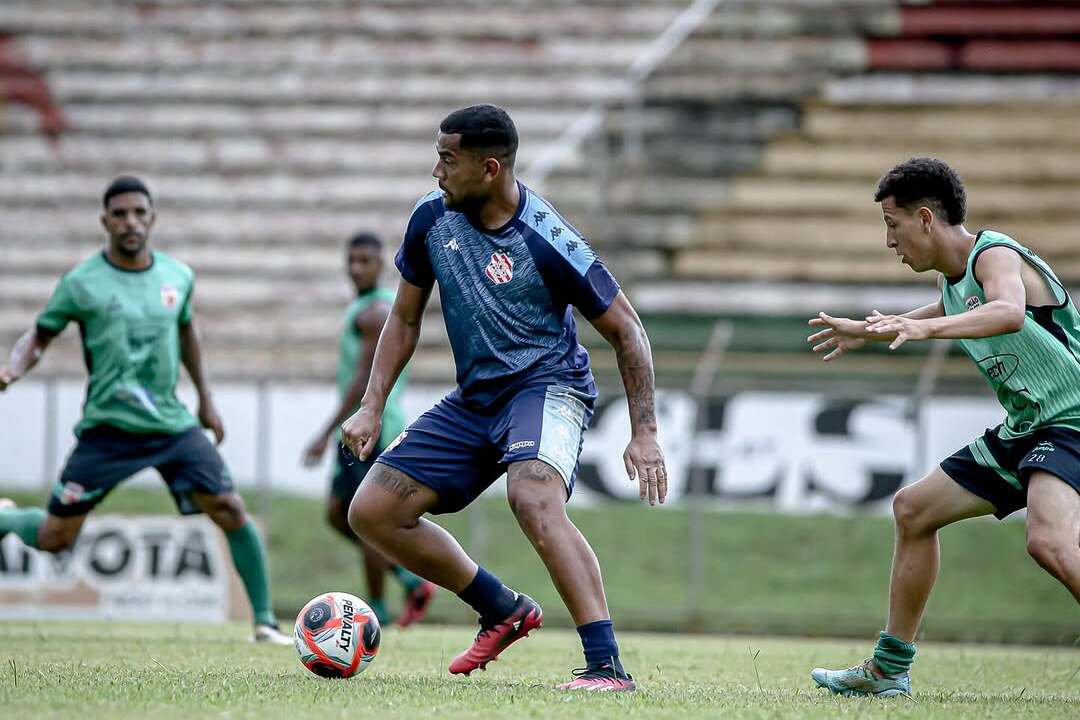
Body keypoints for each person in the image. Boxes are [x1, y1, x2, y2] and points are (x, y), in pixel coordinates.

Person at [340, 104, 667, 692]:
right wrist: (370, 403)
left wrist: (644, 433)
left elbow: (627, 329)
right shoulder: (430, 219)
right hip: (476, 399)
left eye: (447, 159)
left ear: (489, 168)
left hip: (548, 387)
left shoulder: (547, 238)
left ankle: (606, 666)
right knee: (371, 511)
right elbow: (404, 319)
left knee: (533, 496)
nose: (436, 172)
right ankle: (501, 608)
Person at [806, 157, 1080, 697]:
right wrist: (869, 331)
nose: (889, 240)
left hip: (1072, 420)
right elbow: (947, 306)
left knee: (1049, 542)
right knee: (913, 510)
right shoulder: (955, 280)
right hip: (1029, 427)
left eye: (892, 223)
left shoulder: (995, 253)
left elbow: (1008, 312)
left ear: (926, 218)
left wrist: (920, 329)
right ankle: (888, 670)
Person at [0, 176, 292, 645]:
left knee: (230, 507)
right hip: (108, 429)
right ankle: (8, 518)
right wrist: (13, 370)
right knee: (56, 537)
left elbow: (187, 332)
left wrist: (206, 399)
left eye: (139, 212)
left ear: (152, 218)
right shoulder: (81, 283)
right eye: (120, 214)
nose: (130, 222)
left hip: (171, 426)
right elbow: (40, 334)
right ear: (105, 221)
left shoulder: (177, 276)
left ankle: (263, 622)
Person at [301, 231, 436, 627]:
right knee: (337, 513)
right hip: (365, 427)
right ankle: (408, 579)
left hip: (371, 428)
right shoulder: (365, 308)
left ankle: (376, 604)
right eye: (352, 259)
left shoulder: (376, 313)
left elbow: (364, 380)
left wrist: (326, 431)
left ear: (381, 264)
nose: (357, 267)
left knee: (364, 517)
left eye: (366, 260)